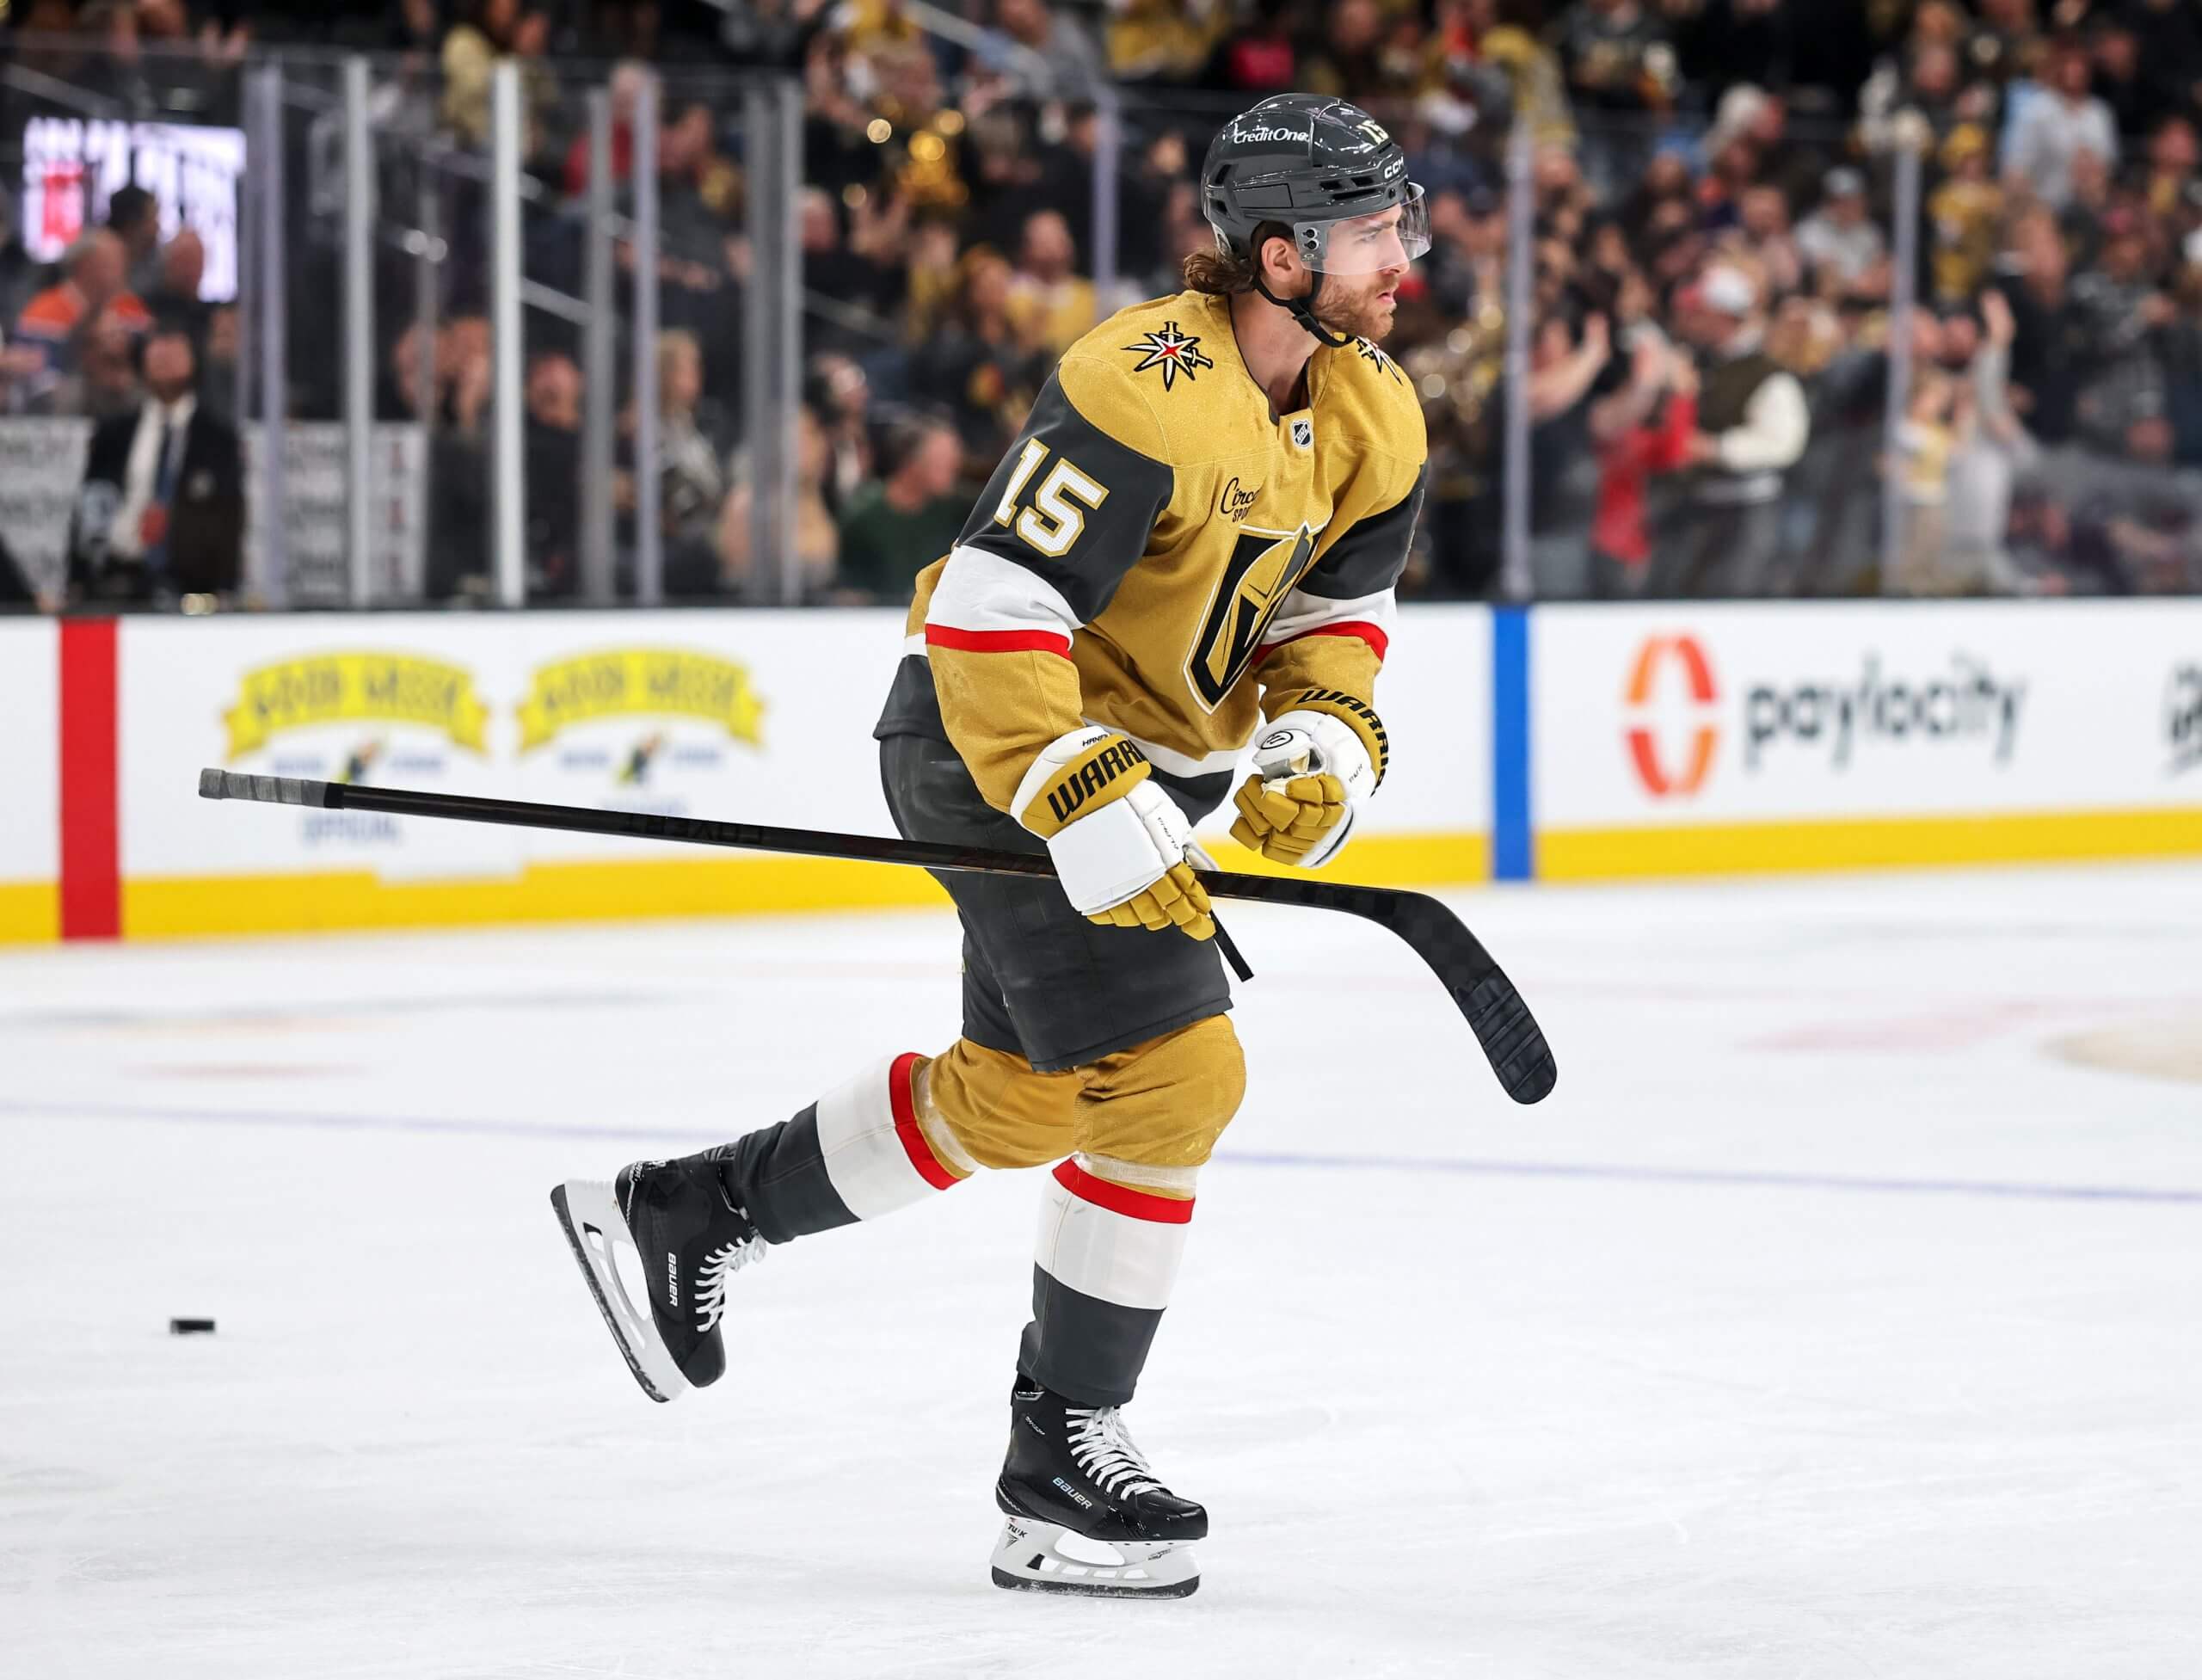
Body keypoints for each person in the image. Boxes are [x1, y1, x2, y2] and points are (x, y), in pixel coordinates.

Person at [552, 94, 1430, 1601]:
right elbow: (992, 602)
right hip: (989, 746)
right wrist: (1071, 785)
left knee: (1031, 1097)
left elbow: (1327, 621)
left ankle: (693, 1208)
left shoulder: (1372, 413)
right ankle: (1061, 1467)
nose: (1402, 253)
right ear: (1281, 256)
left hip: (1139, 781)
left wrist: (1328, 736)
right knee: (1177, 1074)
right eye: (1370, 230)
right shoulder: (1141, 378)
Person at [1652, 263, 1809, 596]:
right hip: (1696, 504)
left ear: (1723, 317)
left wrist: (1716, 448)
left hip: (1745, 511)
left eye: (1700, 312)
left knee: (1733, 600)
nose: (1690, 320)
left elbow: (1785, 442)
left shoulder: (1766, 373)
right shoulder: (1698, 361)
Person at [68, 327, 243, 603]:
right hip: (117, 579)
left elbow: (228, 518)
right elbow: (89, 504)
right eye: (157, 347)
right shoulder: (114, 434)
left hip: (190, 588)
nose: (164, 355)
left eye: (175, 347)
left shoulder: (217, 439)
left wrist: (225, 589)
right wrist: (77, 578)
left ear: (194, 360)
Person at [834, 412, 967, 602]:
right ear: (910, 461)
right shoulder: (863, 516)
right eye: (942, 458)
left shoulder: (959, 513)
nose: (954, 464)